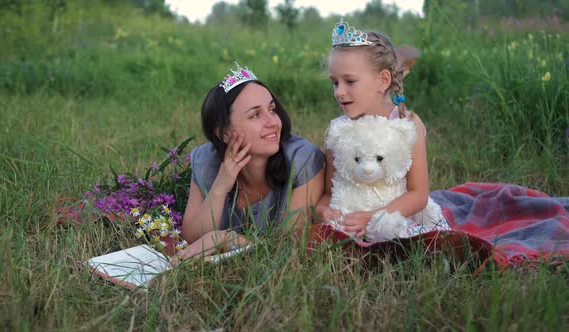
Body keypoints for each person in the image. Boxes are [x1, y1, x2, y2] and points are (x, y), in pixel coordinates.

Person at [175, 62, 325, 262]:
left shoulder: (302, 160)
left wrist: (227, 239)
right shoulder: (206, 161)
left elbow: (289, 248)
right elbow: (192, 240)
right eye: (255, 115)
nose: (273, 122)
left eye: (272, 109)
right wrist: (220, 185)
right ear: (224, 133)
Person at [315, 19, 443, 238]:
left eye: (350, 81)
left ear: (383, 80)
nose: (339, 92)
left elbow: (418, 194)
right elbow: (329, 192)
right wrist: (322, 210)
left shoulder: (406, 124)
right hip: (350, 221)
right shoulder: (338, 130)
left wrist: (373, 217)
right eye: (335, 83)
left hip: (395, 218)